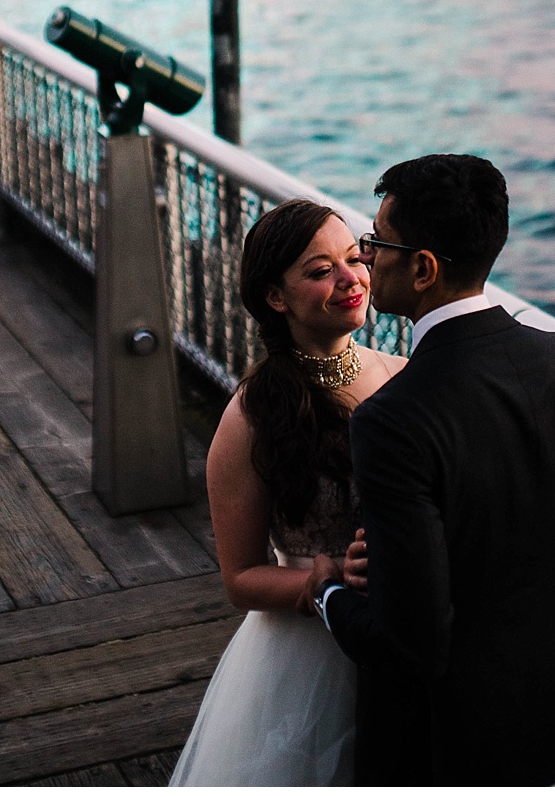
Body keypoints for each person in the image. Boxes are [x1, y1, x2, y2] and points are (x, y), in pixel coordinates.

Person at [305, 153, 555, 788]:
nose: (366, 257)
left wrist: (327, 591)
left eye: (377, 242)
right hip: (554, 735)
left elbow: (412, 647)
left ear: (422, 268)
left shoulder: (393, 419)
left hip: (444, 751)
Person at [169, 197, 407, 787]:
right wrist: (321, 580)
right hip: (311, 653)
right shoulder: (250, 418)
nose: (351, 279)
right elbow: (240, 577)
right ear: (276, 297)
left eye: (355, 259)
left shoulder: (405, 375)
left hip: (407, 636)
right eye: (320, 270)